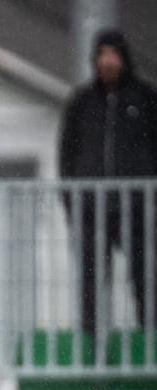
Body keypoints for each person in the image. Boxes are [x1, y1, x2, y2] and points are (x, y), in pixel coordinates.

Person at [59, 29, 157, 340]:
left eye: (113, 55)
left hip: (138, 207)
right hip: (92, 208)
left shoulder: (145, 99)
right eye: (102, 55)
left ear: (124, 58)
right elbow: (67, 154)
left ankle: (149, 336)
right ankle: (92, 341)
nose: (108, 62)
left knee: (145, 275)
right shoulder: (81, 103)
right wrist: (71, 201)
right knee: (91, 278)